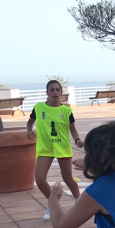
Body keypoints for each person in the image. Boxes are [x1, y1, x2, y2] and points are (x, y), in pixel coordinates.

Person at [27, 80, 83, 220]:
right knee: (39, 179)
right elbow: (30, 121)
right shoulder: (39, 108)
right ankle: (53, 204)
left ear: (61, 93)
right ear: (47, 92)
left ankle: (78, 201)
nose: (55, 92)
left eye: (58, 90)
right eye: (52, 90)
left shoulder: (66, 110)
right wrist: (29, 130)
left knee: (68, 178)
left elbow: (73, 129)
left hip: (62, 147)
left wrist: (77, 140)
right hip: (45, 148)